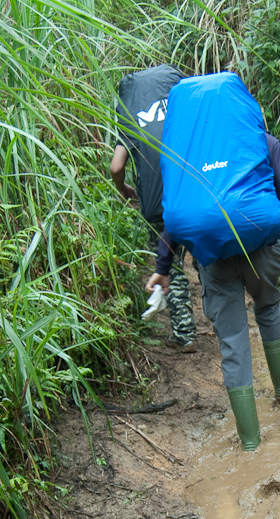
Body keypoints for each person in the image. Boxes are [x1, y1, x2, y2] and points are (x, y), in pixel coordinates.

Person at [146, 133, 280, 450]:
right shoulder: (261, 141)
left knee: (232, 340)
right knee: (269, 309)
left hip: (214, 259)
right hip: (261, 247)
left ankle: (250, 445)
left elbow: (175, 216)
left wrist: (163, 267)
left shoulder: (185, 153)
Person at [111, 68, 197, 352]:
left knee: (169, 264)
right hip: (191, 195)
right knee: (203, 256)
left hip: (155, 203)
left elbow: (116, 167)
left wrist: (123, 189)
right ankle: (221, 318)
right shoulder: (180, 109)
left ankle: (185, 334)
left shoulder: (131, 116)